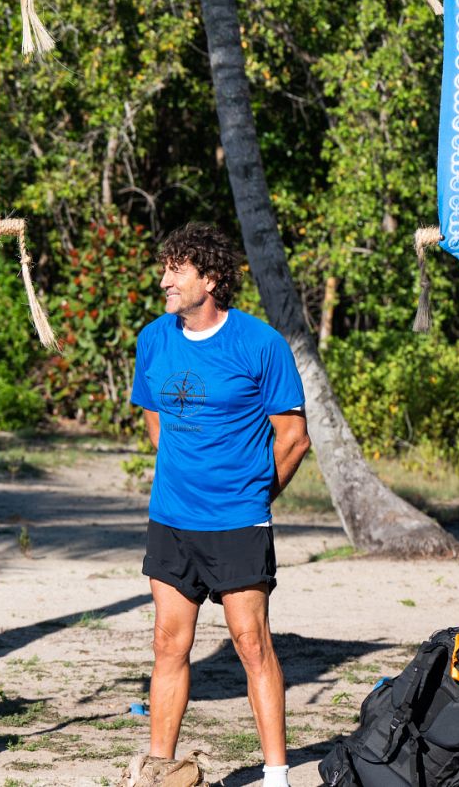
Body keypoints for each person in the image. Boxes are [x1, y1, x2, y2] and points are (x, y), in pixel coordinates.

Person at [128, 223, 311, 787]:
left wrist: (254, 494)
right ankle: (161, 767)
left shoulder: (260, 344)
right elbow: (155, 418)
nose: (164, 281)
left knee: (252, 644)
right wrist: (186, 479)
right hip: (172, 520)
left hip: (238, 522)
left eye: (176, 271)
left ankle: (276, 775)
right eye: (165, 270)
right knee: (167, 642)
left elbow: (294, 437)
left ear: (209, 279)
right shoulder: (153, 339)